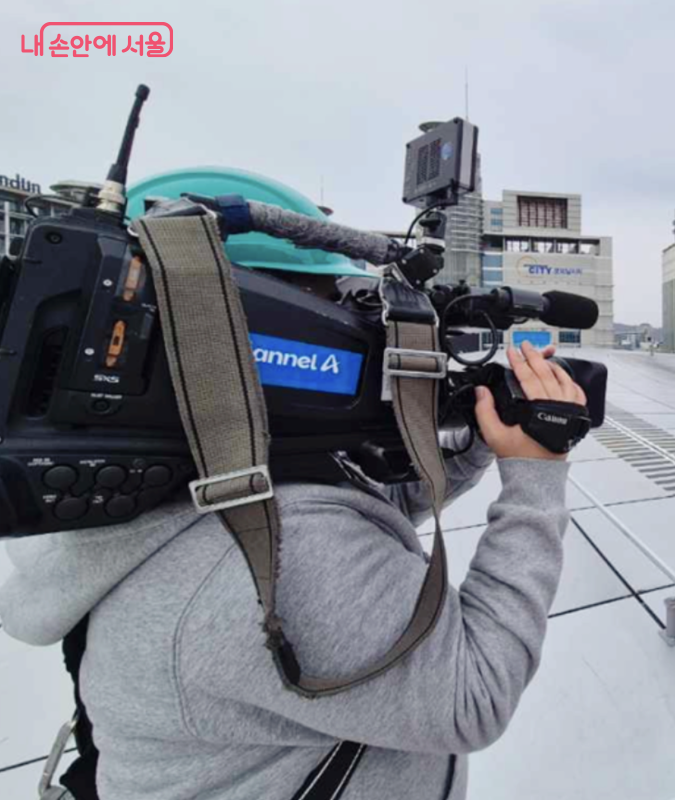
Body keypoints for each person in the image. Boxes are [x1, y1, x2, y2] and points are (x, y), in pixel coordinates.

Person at [0, 168, 586, 800]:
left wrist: (476, 440)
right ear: (244, 323)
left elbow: (347, 500)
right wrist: (536, 478)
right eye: (331, 300)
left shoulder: (175, 482)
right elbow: (473, 696)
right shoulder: (281, 558)